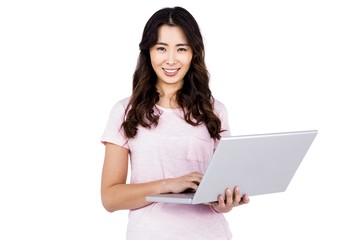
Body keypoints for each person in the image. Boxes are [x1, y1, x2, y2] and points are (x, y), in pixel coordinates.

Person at [100, 6, 249, 240]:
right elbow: (110, 198)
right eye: (161, 48)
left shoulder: (215, 110)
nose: (171, 60)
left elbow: (220, 190)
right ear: (148, 51)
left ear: (193, 53)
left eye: (181, 49)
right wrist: (169, 184)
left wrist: (224, 202)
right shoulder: (124, 112)